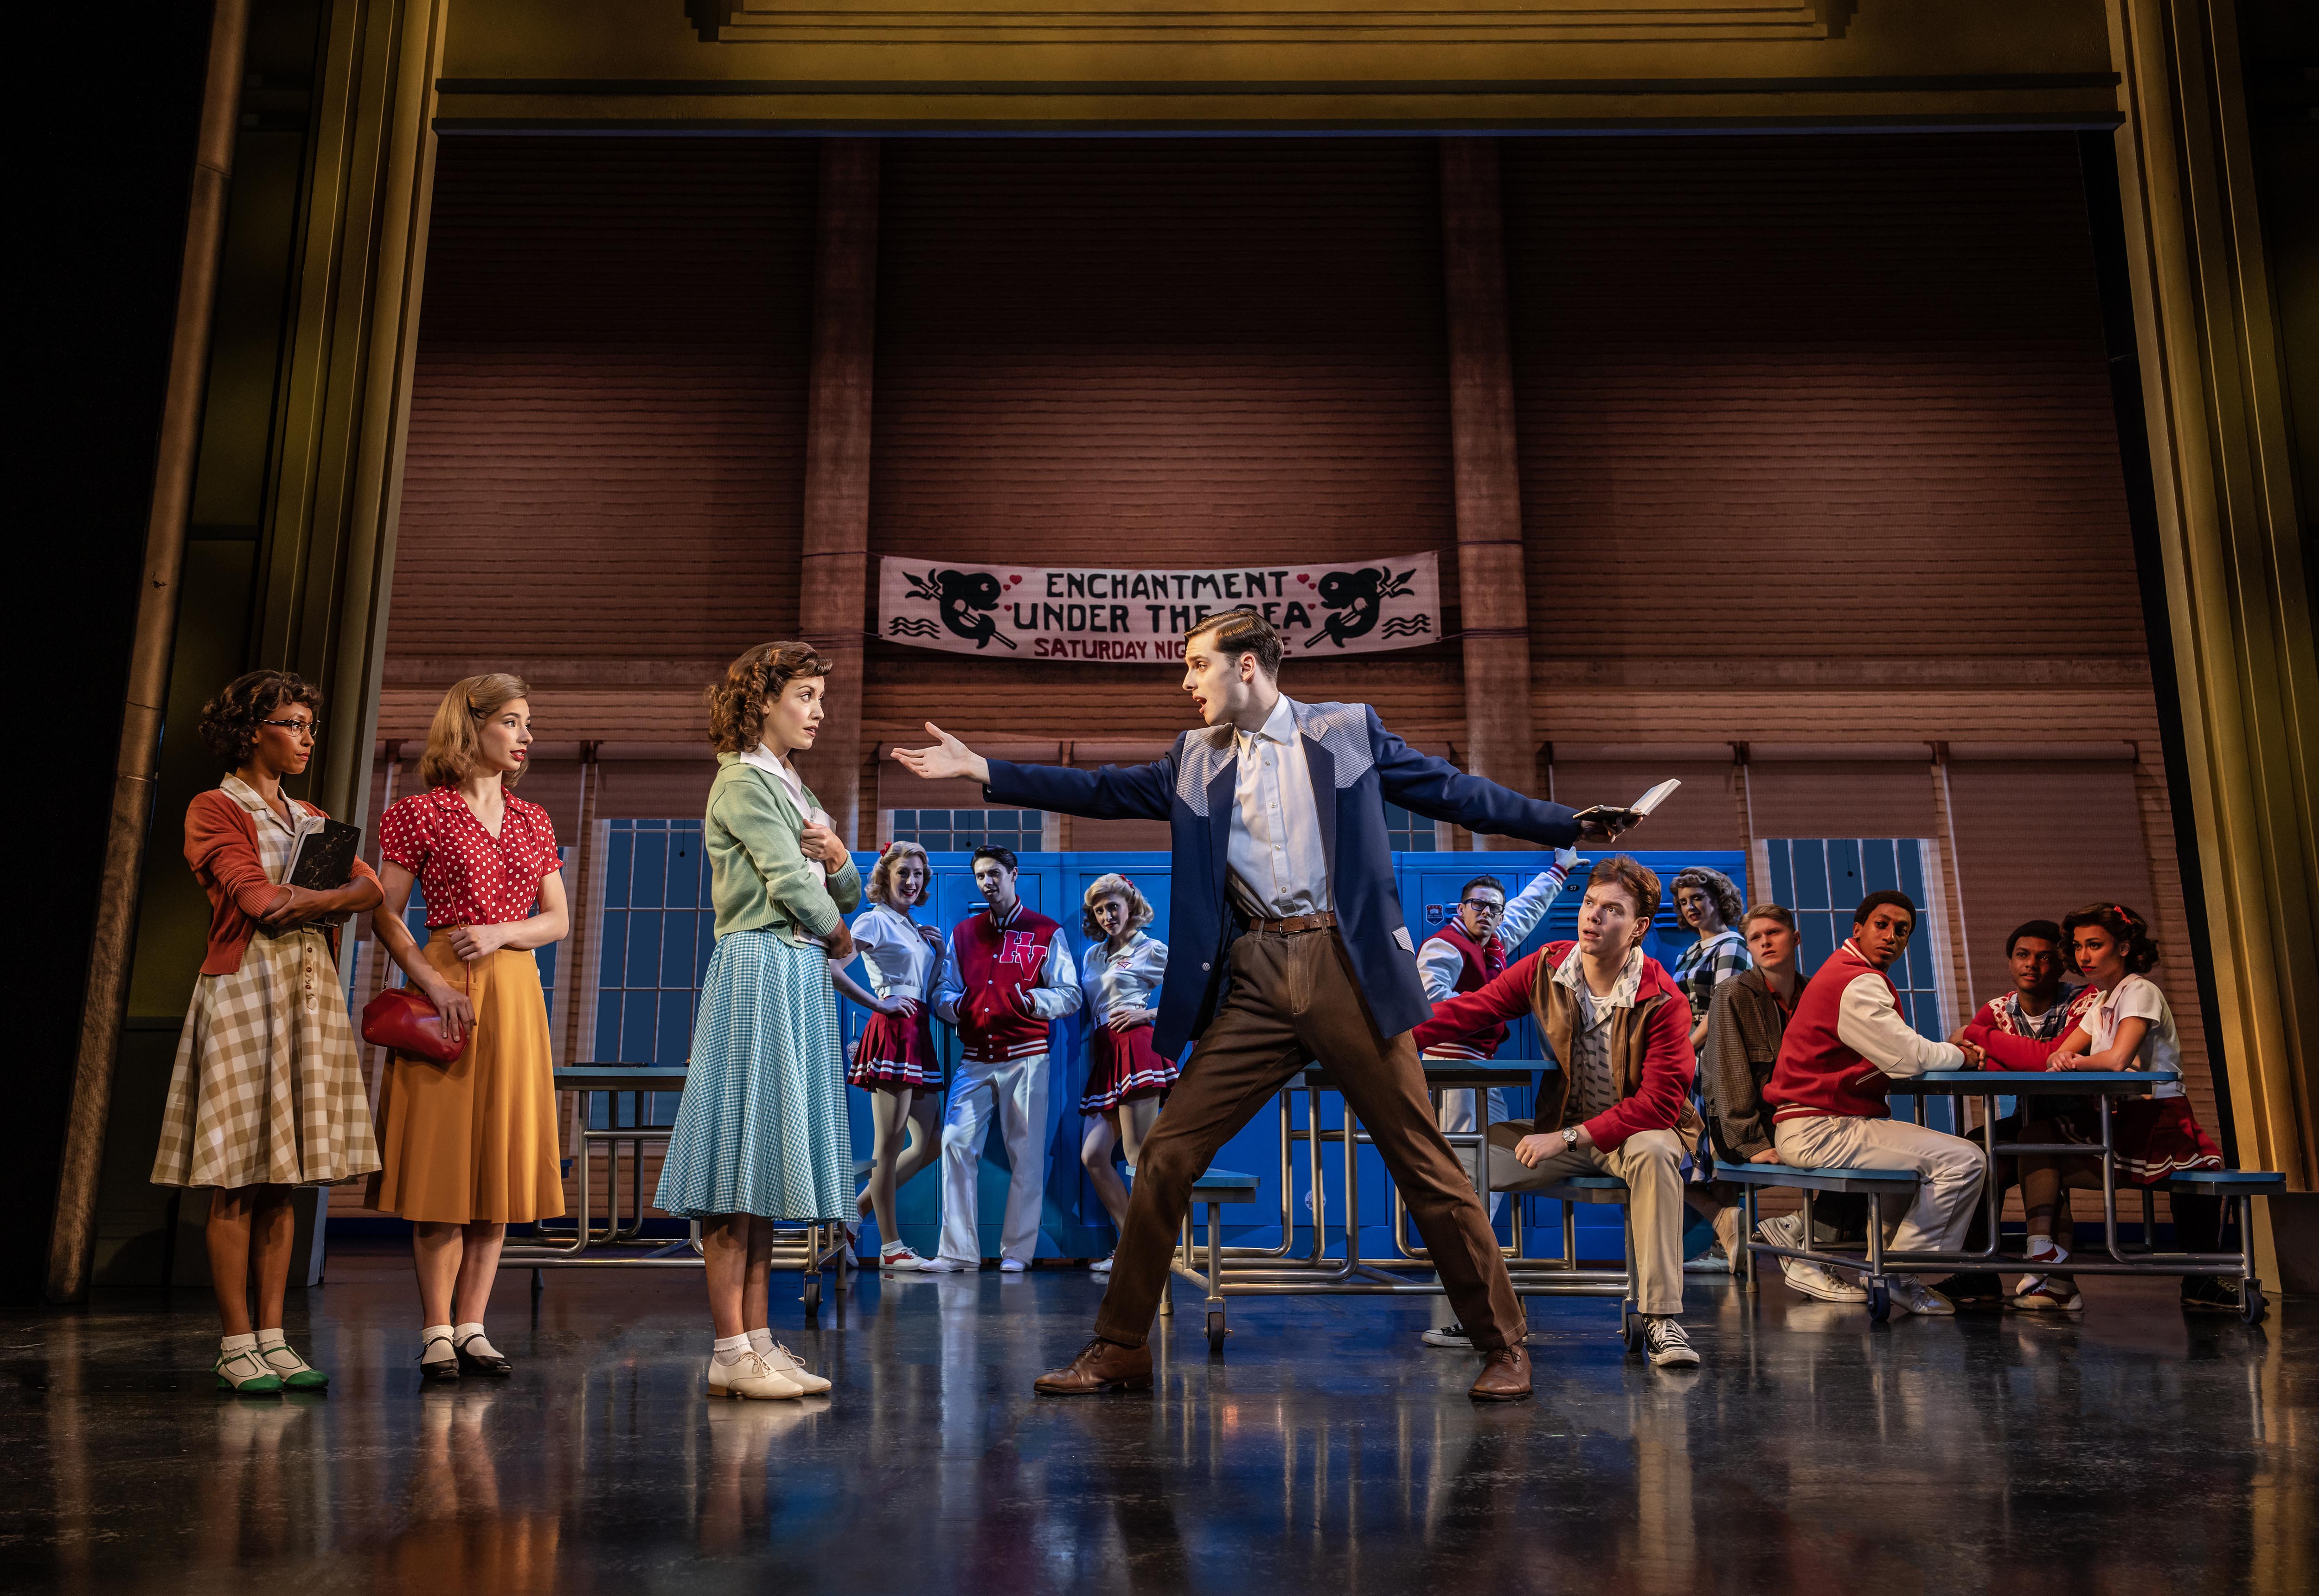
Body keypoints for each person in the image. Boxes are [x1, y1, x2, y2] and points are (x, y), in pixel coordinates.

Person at [897, 606, 1634, 1401]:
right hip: (1253, 972)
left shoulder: (1347, 730)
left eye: (1196, 665)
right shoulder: (1193, 760)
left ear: (1246, 664)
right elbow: (1100, 789)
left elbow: (1452, 792)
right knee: (1169, 1154)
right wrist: (984, 770)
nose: (1187, 684)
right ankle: (1119, 1345)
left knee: (1424, 1160)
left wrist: (1563, 822)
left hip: (1345, 967)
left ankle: (1503, 1343)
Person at [153, 671, 385, 1394]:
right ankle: (235, 1341)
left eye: (310, 725)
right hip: (246, 989)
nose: (306, 737)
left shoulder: (311, 815)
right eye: (291, 723)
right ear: (254, 730)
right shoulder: (215, 807)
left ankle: (276, 1336)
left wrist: (316, 900)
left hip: (308, 993)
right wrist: (330, 899)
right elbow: (257, 901)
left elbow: (373, 888)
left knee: (285, 1179)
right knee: (239, 1177)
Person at [654, 642, 859, 1399]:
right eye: (804, 695)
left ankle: (760, 1338)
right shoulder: (742, 781)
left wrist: (838, 858)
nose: (817, 710)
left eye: (818, 697)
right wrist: (837, 931)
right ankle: (729, 1348)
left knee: (767, 1163)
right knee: (737, 1161)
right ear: (764, 700)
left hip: (798, 971)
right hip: (759, 965)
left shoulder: (792, 784)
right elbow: (787, 881)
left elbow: (848, 886)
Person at [1415, 857, 1706, 1369]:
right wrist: (1383, 1040)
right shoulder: (1546, 967)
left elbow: (1658, 1103)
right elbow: (1471, 1011)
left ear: (1638, 928)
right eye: (1590, 903)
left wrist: (1568, 1137)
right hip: (1563, 1127)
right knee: (1467, 1162)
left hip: (1633, 1132)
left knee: (1657, 1152)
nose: (1592, 916)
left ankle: (1661, 1319)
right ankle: (1484, 1310)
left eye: (1611, 910)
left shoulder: (1662, 997)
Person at [370, 673, 570, 1383]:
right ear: (472, 726)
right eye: (512, 722)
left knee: (497, 1165)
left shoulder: (533, 819)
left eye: (528, 724)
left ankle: (473, 1325)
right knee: (444, 1167)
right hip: (443, 985)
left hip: (514, 991)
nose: (525, 736)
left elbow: (558, 919)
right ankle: (434, 1328)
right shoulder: (419, 813)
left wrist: (500, 933)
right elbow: (385, 912)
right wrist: (431, 982)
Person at [1961, 902, 2228, 1314]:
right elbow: (2054, 1059)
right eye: (2080, 946)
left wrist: (2075, 1061)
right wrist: (2064, 1059)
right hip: (2111, 1117)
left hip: (2155, 1121)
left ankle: (2053, 1270)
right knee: (2027, 1138)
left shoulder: (2139, 990)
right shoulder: (2104, 999)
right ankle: (2041, 1253)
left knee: (2038, 1141)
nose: (2084, 956)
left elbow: (2116, 1060)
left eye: (2095, 945)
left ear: (2124, 946)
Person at [1763, 890, 1988, 1316]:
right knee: (1965, 1161)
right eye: (1882, 925)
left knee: (1917, 1162)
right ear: (1858, 930)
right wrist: (1962, 1055)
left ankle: (1885, 1268)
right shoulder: (1857, 980)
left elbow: (1899, 1049)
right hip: (1821, 1126)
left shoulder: (1848, 973)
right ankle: (1899, 1274)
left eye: (1901, 930)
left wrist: (1938, 1048)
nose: (1891, 936)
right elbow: (1909, 1058)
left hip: (1823, 1121)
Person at [1414, 853, 1580, 1350]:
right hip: (1451, 1070)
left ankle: (1474, 1271)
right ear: (1459, 908)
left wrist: (1558, 872)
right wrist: (1493, 1004)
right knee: (1468, 1174)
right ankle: (1467, 1280)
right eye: (1477, 905)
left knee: (1483, 1173)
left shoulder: (1491, 944)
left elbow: (1525, 911)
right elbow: (1429, 1001)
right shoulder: (1444, 945)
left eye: (1493, 907)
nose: (1487, 913)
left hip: (1478, 1071)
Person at [925, 845, 1083, 1274]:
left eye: (994, 873)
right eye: (980, 876)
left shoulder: (1045, 931)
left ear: (1015, 875)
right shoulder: (964, 933)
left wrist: (1031, 1001)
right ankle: (957, 1252)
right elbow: (942, 991)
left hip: (1027, 1057)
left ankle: (1017, 1251)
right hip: (975, 1057)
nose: (987, 882)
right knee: (955, 1142)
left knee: (1026, 1155)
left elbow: (1071, 993)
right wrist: (956, 1008)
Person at [1703, 904, 1868, 1305]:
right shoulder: (1734, 993)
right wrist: (1751, 1141)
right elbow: (1727, 1073)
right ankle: (1807, 1248)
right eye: (1756, 938)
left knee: (1868, 1148)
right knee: (1850, 1150)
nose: (1765, 942)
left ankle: (1800, 1237)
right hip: (1748, 1127)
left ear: (1795, 938)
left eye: (1773, 933)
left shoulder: (1816, 992)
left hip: (1801, 1118)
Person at [1938, 919, 2101, 1309]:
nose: (2032, 965)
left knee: (2042, 1147)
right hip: (2031, 1116)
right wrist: (1992, 1053)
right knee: (1972, 1155)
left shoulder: (2086, 1002)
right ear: (2010, 961)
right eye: (2023, 955)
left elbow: (2049, 1061)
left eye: (2045, 957)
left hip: (2090, 1118)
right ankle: (1977, 1274)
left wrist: (1990, 1045)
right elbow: (1964, 1056)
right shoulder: (1998, 1009)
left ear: (2061, 965)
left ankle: (2059, 1283)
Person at [832, 841, 948, 1273]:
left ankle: (853, 1215)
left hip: (917, 1029)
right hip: (894, 1029)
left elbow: (926, 990)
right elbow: (834, 967)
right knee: (890, 1144)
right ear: (886, 877)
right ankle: (892, 1246)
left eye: (918, 874)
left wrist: (936, 955)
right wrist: (878, 1006)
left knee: (932, 1142)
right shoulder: (875, 919)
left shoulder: (913, 926)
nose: (912, 882)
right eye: (904, 873)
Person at [1076, 873, 1174, 1274]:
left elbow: (1192, 995)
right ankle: (1133, 1245)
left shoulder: (1151, 948)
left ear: (1130, 904)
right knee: (1094, 1156)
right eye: (1099, 910)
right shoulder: (1092, 956)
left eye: (1112, 906)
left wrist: (1146, 1012)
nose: (1106, 916)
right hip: (1105, 1054)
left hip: (1137, 1048)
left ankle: (1146, 1254)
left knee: (1137, 1157)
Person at [1669, 866, 1751, 1272]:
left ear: (1719, 899)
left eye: (1698, 898)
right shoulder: (1690, 952)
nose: (1691, 908)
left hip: (1709, 1058)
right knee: (1691, 1152)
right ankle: (1727, 1236)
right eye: (1684, 902)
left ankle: (1728, 1242)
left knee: (1708, 1151)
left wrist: (1683, 1048)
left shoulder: (1732, 945)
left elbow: (1721, 1011)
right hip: (1685, 1056)